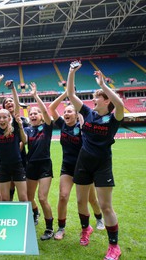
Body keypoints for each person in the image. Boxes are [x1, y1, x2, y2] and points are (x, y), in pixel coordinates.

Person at [66, 61, 124, 260]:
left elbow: (121, 104)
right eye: (93, 98)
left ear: (106, 100)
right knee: (81, 201)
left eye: (97, 98)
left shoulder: (114, 117)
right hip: (83, 163)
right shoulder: (88, 113)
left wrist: (103, 85)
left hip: (102, 165)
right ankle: (86, 229)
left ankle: (114, 246)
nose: (94, 101)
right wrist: (71, 72)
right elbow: (71, 95)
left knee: (105, 206)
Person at [49, 90, 105, 240]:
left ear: (75, 114)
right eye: (65, 111)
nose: (66, 114)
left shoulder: (83, 128)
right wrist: (65, 93)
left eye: (69, 111)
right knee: (63, 196)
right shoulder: (62, 124)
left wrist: (75, 103)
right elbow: (52, 108)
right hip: (67, 167)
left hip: (84, 168)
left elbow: (83, 117)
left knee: (91, 199)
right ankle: (61, 228)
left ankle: (99, 218)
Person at [0, 83, 27, 203]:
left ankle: (24, 220)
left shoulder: (15, 126)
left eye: (4, 117)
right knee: (5, 199)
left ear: (9, 118)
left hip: (18, 165)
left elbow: (17, 106)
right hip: (3, 167)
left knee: (23, 198)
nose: (2, 120)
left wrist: (13, 89)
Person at [22, 82, 54, 240]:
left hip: (44, 165)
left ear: (41, 116)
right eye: (31, 114)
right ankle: (35, 214)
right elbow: (23, 142)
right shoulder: (27, 130)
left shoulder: (47, 127)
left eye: (36, 113)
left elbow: (47, 113)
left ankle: (49, 228)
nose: (33, 115)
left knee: (42, 197)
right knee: (29, 197)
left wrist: (35, 97)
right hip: (31, 165)